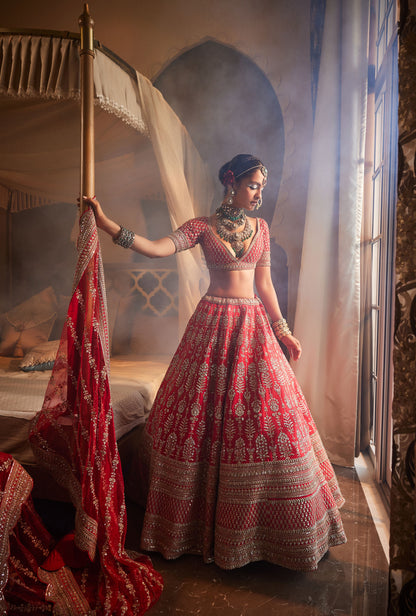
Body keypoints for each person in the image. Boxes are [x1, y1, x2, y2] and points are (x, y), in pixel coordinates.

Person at [85, 153, 346, 571]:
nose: (260, 193)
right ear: (231, 182)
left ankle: (269, 525)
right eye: (253, 185)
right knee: (198, 421)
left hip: (253, 328)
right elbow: (155, 250)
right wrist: (106, 223)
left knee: (268, 420)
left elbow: (264, 284)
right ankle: (194, 523)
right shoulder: (200, 227)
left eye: (262, 185)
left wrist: (283, 330)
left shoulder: (261, 228)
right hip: (212, 324)